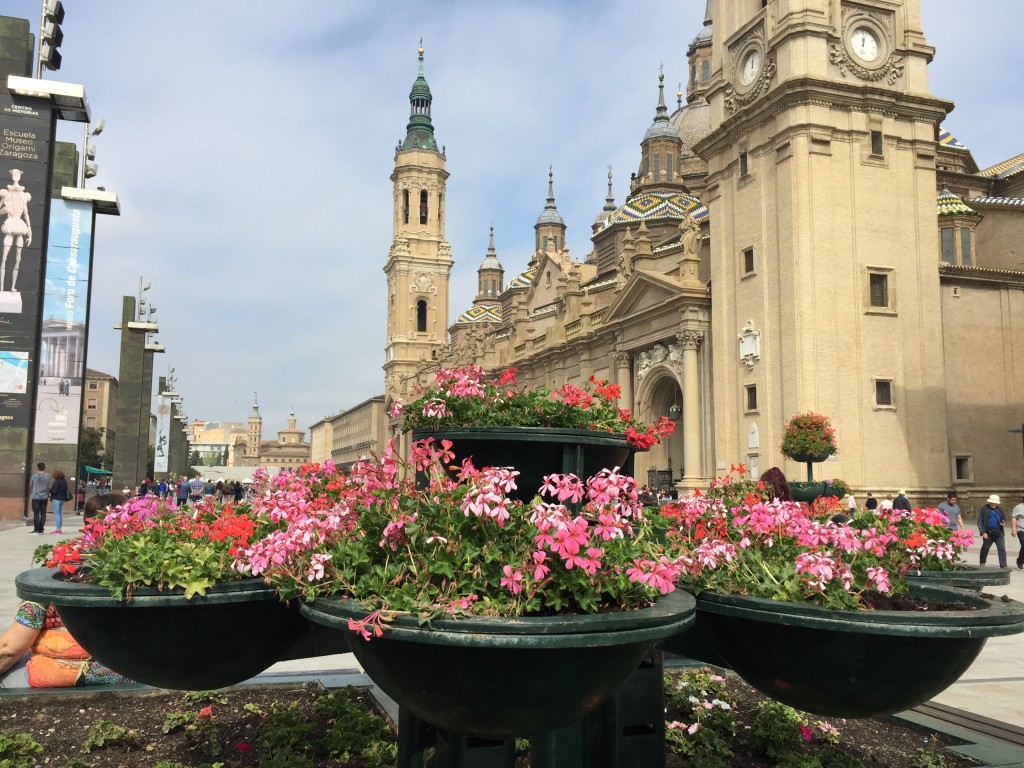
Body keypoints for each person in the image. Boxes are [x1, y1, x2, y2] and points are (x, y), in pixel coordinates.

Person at [0, 601, 130, 688]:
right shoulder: (132, 580)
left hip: (53, 677)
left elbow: (9, 650)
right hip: (125, 675)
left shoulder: (45, 586)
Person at [0, 168, 32, 293]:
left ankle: (12, 286)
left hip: (19, 224)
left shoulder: (24, 195)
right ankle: (2, 288)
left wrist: (30, 231)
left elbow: (26, 214)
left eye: (18, 173)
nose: (16, 175)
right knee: (4, 258)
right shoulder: (6, 193)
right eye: (14, 173)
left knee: (18, 258)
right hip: (10, 223)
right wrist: (5, 210)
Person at [977, 494, 1009, 569]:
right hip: (988, 532)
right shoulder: (984, 509)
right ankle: (982, 562)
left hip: (999, 532)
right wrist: (983, 532)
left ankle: (1003, 565)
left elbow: (1003, 519)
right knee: (985, 548)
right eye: (992, 503)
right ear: (989, 502)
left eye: (995, 503)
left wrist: (1003, 523)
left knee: (1002, 549)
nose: (993, 504)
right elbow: (980, 521)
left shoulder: (1000, 509)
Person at [27, 462, 51, 535]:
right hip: (44, 497)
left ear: (38, 468)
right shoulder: (48, 476)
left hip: (36, 497)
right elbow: (49, 486)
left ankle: (36, 529)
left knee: (36, 514)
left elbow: (30, 485)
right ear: (44, 467)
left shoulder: (34, 476)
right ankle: (41, 530)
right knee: (43, 513)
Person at [48, 469, 69, 535]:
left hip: (56, 499)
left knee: (56, 514)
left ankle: (58, 529)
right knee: (59, 514)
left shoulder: (57, 482)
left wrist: (50, 490)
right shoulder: (64, 481)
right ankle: (59, 528)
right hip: (62, 499)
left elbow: (55, 491)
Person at [1011, 497, 1024, 571]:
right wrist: (1013, 529)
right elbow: (1014, 518)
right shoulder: (1019, 507)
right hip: (1021, 530)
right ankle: (1020, 561)